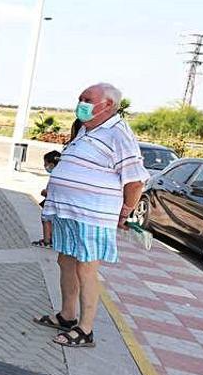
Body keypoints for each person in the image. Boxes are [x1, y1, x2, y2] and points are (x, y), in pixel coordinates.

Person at [34, 83, 148, 348]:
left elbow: (135, 180)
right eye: (80, 98)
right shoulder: (86, 129)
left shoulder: (118, 134)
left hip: (93, 215)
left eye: (87, 99)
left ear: (107, 105)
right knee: (66, 261)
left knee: (86, 268)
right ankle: (67, 315)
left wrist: (126, 210)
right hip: (69, 211)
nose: (80, 103)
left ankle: (85, 330)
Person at [33, 150, 63, 248]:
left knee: (45, 220)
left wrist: (45, 193)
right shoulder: (61, 174)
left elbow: (52, 191)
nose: (44, 166)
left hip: (51, 203)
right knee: (53, 221)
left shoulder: (55, 176)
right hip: (58, 204)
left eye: (45, 164)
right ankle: (52, 239)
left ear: (51, 164)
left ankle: (47, 241)